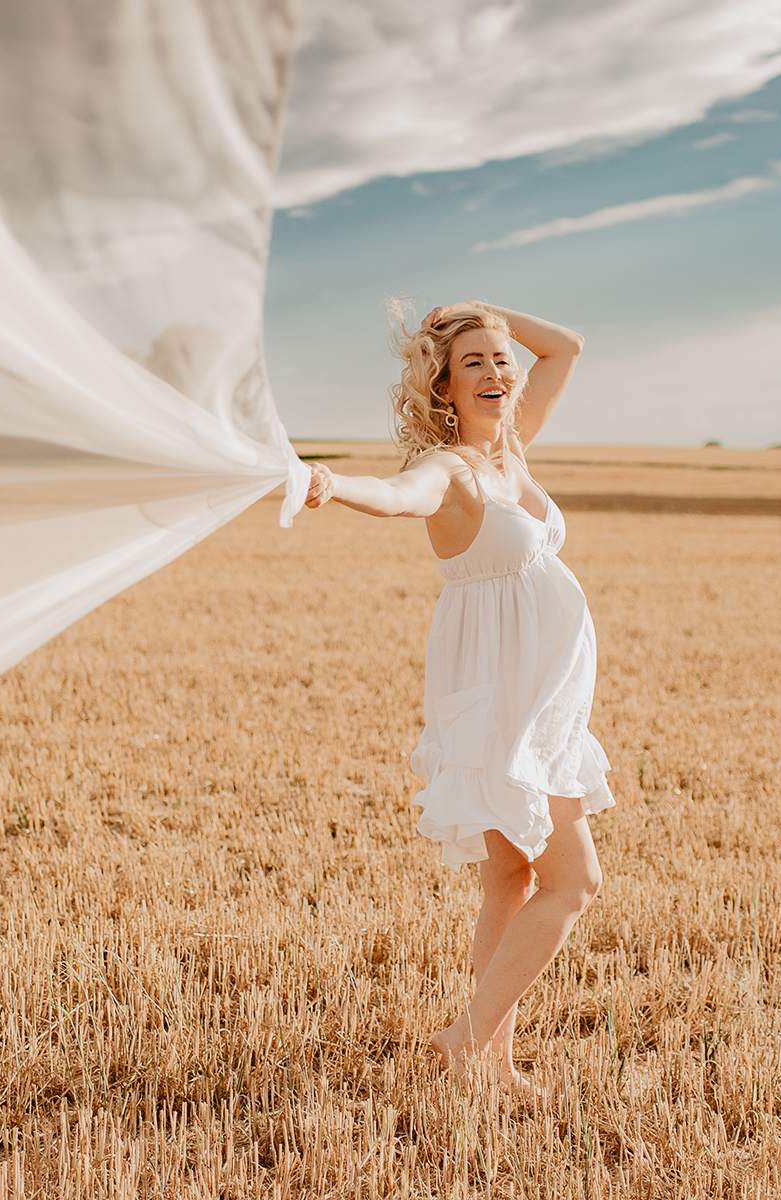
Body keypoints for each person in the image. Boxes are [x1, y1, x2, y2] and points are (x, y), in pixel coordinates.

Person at [301, 301, 612, 1093]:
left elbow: (567, 344)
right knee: (574, 883)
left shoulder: (514, 448)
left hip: (541, 700)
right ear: (443, 386)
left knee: (510, 881)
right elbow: (396, 495)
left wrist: (485, 311)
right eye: (472, 362)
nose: (497, 372)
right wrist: (332, 484)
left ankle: (495, 1065)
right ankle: (468, 1038)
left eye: (502, 360)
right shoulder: (452, 470)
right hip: (501, 701)